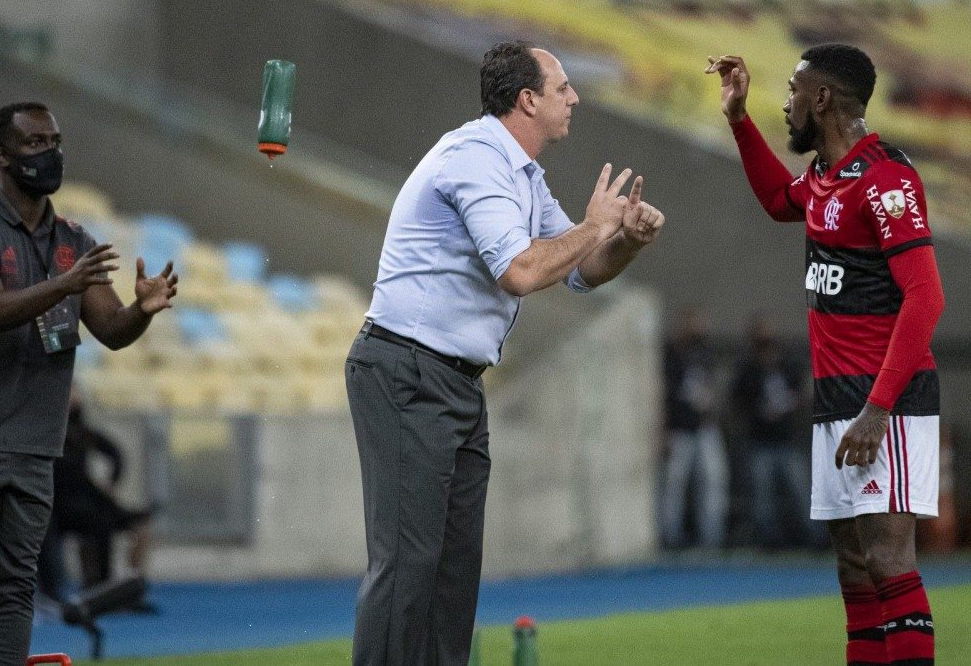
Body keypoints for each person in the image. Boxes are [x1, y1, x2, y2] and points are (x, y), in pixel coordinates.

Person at [347, 40, 665, 665]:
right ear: (528, 100)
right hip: (407, 370)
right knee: (408, 563)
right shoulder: (476, 158)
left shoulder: (521, 172)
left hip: (455, 382)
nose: (574, 98)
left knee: (453, 571)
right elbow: (519, 272)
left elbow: (580, 272)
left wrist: (624, 239)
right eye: (562, 87)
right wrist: (593, 226)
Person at [0, 102, 178, 665]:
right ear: (1, 155)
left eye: (54, 140)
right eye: (33, 143)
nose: (49, 153)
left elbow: (112, 330)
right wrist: (64, 285)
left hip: (34, 448)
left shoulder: (73, 240)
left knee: (13, 590)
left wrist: (143, 310)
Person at [706, 45, 944, 665]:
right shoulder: (822, 179)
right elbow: (774, 200)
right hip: (836, 399)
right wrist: (738, 118)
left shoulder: (887, 178)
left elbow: (926, 297)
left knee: (890, 561)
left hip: (883, 400)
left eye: (790, 90)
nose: (783, 104)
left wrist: (877, 410)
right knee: (853, 567)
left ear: (822, 99)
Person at [37, 391, 153, 604]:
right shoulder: (45, 432)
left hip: (89, 500)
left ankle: (128, 588)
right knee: (96, 522)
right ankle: (92, 586)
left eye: (76, 391)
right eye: (70, 391)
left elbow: (115, 453)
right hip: (56, 506)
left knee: (140, 525)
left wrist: (112, 482)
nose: (74, 395)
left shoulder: (84, 433)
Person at [730, 315, 814, 549]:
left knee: (800, 491)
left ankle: (811, 539)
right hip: (760, 441)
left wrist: (787, 407)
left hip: (787, 440)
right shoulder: (747, 370)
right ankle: (768, 541)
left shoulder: (788, 365)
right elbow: (738, 402)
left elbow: (802, 393)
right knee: (761, 497)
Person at [660, 307, 728, 550]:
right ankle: (671, 537)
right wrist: (663, 430)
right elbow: (663, 394)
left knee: (712, 482)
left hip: (705, 428)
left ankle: (711, 539)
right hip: (680, 429)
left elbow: (714, 388)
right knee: (674, 485)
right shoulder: (673, 354)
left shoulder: (707, 353)